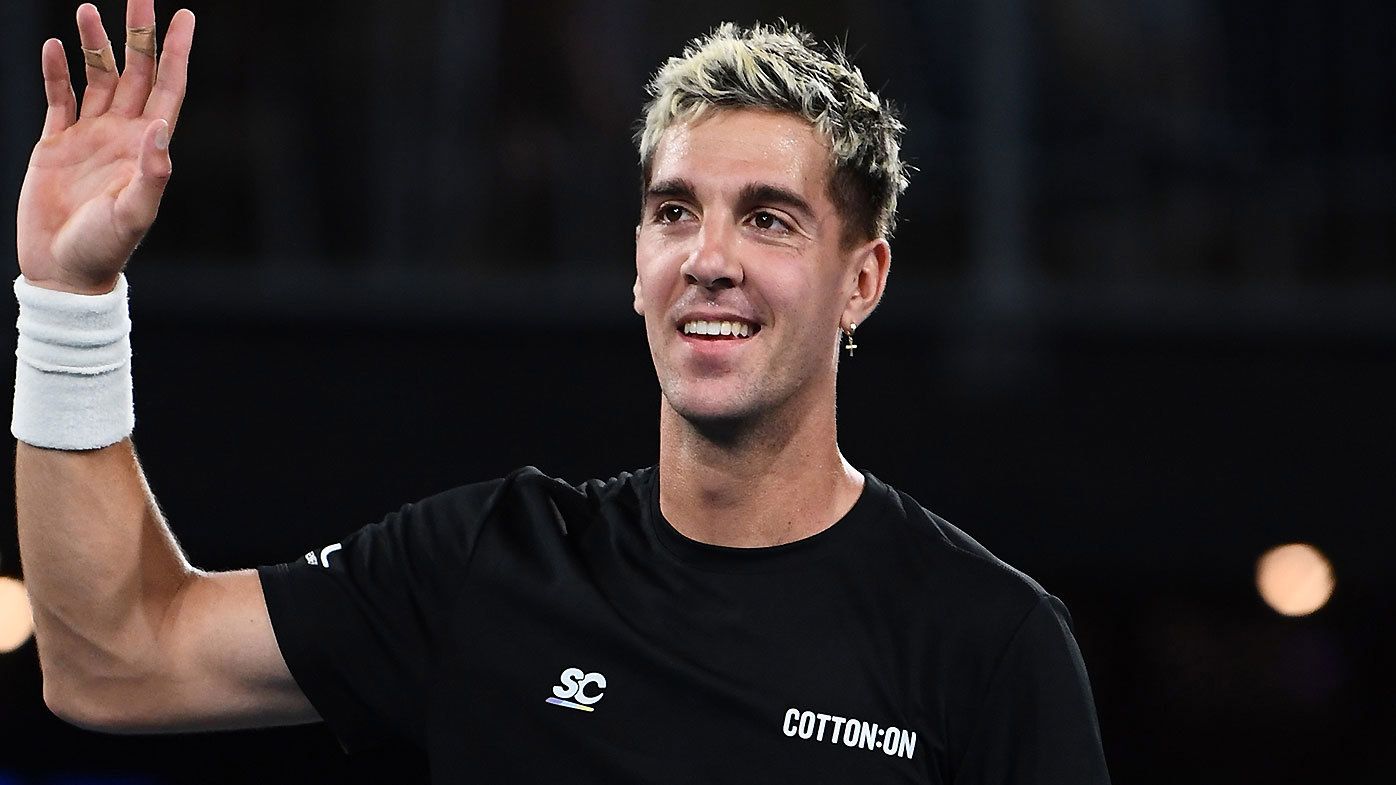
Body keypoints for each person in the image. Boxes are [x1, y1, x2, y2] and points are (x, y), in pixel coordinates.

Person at [13, 1, 1111, 782]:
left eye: (768, 218)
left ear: (859, 280)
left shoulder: (988, 641)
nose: (709, 257)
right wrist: (69, 293)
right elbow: (115, 656)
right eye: (676, 212)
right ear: (637, 260)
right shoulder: (493, 562)